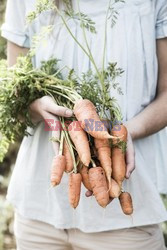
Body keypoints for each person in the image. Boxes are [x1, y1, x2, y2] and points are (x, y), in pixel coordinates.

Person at [1, 0, 167, 249]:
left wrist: (124, 133)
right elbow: (14, 91)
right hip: (40, 215)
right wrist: (35, 106)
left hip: (127, 222)